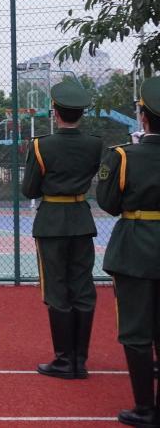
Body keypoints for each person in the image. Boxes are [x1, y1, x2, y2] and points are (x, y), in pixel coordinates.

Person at [21, 80, 102, 380]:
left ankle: (64, 360)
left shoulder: (41, 145)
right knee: (82, 287)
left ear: (54, 111)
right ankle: (80, 360)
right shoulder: (95, 145)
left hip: (52, 222)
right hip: (81, 220)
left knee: (56, 289)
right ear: (81, 112)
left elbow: (29, 190)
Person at [97, 77, 160, 427]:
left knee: (137, 331)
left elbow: (108, 203)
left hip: (135, 248)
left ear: (143, 118)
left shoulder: (123, 156)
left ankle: (144, 408)